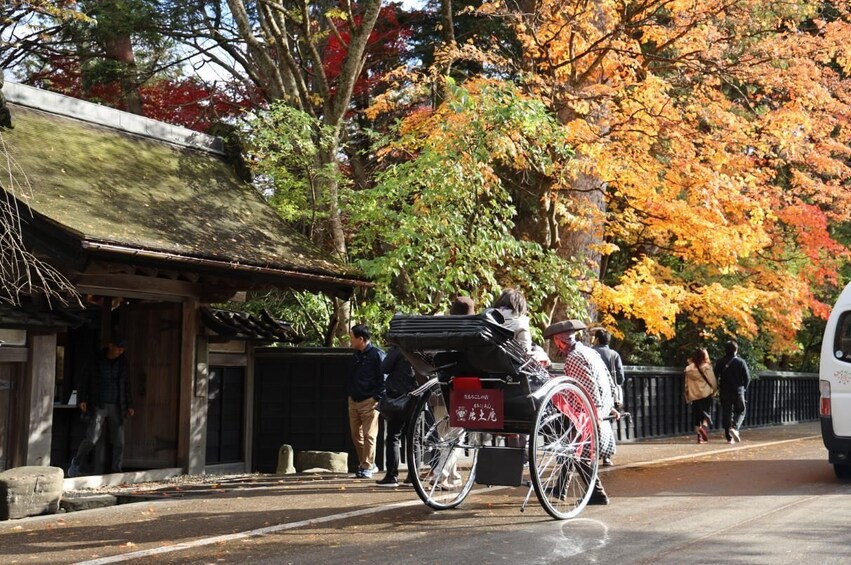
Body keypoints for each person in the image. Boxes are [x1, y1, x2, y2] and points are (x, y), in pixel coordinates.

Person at [544, 319, 619, 505]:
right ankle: (561, 487)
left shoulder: (575, 357)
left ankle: (597, 493)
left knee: (578, 453)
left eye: (555, 341)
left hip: (587, 413)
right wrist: (612, 406)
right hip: (597, 409)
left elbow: (588, 389)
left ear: (559, 341)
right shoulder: (589, 351)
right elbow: (609, 379)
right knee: (573, 449)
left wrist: (593, 417)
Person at [67, 337, 134, 477]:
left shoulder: (123, 362)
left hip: (118, 404)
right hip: (98, 403)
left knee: (119, 441)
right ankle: (76, 463)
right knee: (92, 437)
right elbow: (83, 380)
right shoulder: (96, 360)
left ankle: (116, 470)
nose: (120, 352)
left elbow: (127, 385)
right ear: (110, 345)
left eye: (123, 349)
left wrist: (130, 405)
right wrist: (82, 399)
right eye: (118, 348)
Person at [347, 324, 386, 479]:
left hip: (369, 400)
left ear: (360, 339)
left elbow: (383, 379)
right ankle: (367, 463)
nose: (350, 340)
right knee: (356, 434)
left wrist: (376, 398)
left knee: (370, 435)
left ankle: (367, 466)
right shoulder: (356, 355)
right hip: (354, 399)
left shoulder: (377, 355)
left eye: (352, 337)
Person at [375, 345, 416, 487]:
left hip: (399, 397)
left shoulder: (399, 348)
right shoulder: (420, 347)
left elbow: (384, 368)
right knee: (412, 438)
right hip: (417, 397)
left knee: (393, 437)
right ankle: (413, 476)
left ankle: (391, 475)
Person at [591, 328, 624, 466]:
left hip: (591, 391)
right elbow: (621, 378)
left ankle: (592, 453)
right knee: (607, 422)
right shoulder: (613, 354)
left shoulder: (591, 353)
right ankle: (607, 456)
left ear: (597, 339)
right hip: (608, 394)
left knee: (592, 422)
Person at [714, 340, 751, 444]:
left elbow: (715, 376)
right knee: (741, 410)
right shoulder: (740, 362)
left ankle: (728, 437)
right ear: (736, 350)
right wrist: (744, 388)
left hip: (724, 390)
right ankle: (735, 427)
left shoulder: (720, 362)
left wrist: (716, 387)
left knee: (727, 412)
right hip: (738, 390)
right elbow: (747, 378)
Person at [684, 348, 717, 444]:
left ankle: (699, 438)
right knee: (706, 415)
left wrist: (687, 394)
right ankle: (703, 428)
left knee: (697, 416)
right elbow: (712, 381)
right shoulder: (707, 367)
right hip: (706, 394)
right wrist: (714, 390)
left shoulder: (689, 369)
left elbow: (686, 384)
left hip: (694, 395)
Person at [491, 287, 532, 353]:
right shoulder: (521, 323)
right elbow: (525, 351)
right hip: (508, 362)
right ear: (521, 306)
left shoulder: (488, 317)